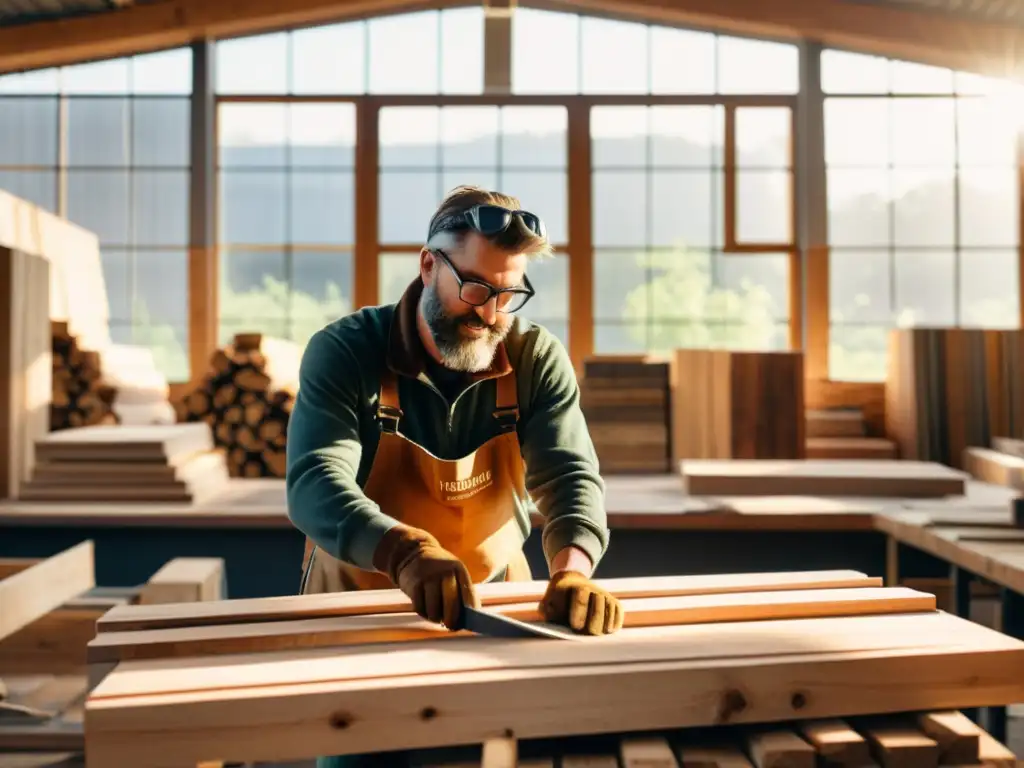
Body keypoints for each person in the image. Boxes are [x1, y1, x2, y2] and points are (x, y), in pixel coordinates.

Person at [287, 184, 624, 639]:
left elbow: (570, 479)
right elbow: (315, 482)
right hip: (353, 608)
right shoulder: (346, 351)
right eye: (474, 288)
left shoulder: (534, 359)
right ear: (429, 266)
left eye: (507, 295)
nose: (488, 315)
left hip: (493, 607)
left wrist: (574, 571)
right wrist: (405, 553)